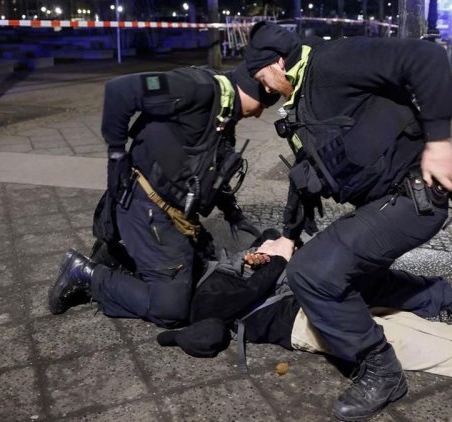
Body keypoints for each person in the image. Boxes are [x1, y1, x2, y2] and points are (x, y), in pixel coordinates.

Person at [243, 21, 452, 420]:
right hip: (385, 202)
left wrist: (440, 142)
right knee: (349, 278)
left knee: (311, 274)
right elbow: (303, 176)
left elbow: (426, 56)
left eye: (263, 78)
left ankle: (380, 367)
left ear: (277, 63)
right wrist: (288, 236)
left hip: (414, 196)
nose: (266, 90)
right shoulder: (302, 99)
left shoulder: (333, 60)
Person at [160, 236, 452, 401]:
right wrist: (277, 255)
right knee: (444, 339)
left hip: (315, 320)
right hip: (324, 307)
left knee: (445, 354)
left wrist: (171, 336)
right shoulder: (223, 281)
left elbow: (210, 333)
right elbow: (212, 331)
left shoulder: (218, 282)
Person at [47, 63, 280, 328]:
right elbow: (120, 90)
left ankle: (116, 254)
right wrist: (116, 155)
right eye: (263, 104)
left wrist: (233, 214)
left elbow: (212, 170)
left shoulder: (225, 115)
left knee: (199, 269)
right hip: (146, 206)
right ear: (253, 87)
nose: (260, 114)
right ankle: (86, 274)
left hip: (172, 214)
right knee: (171, 309)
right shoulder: (196, 87)